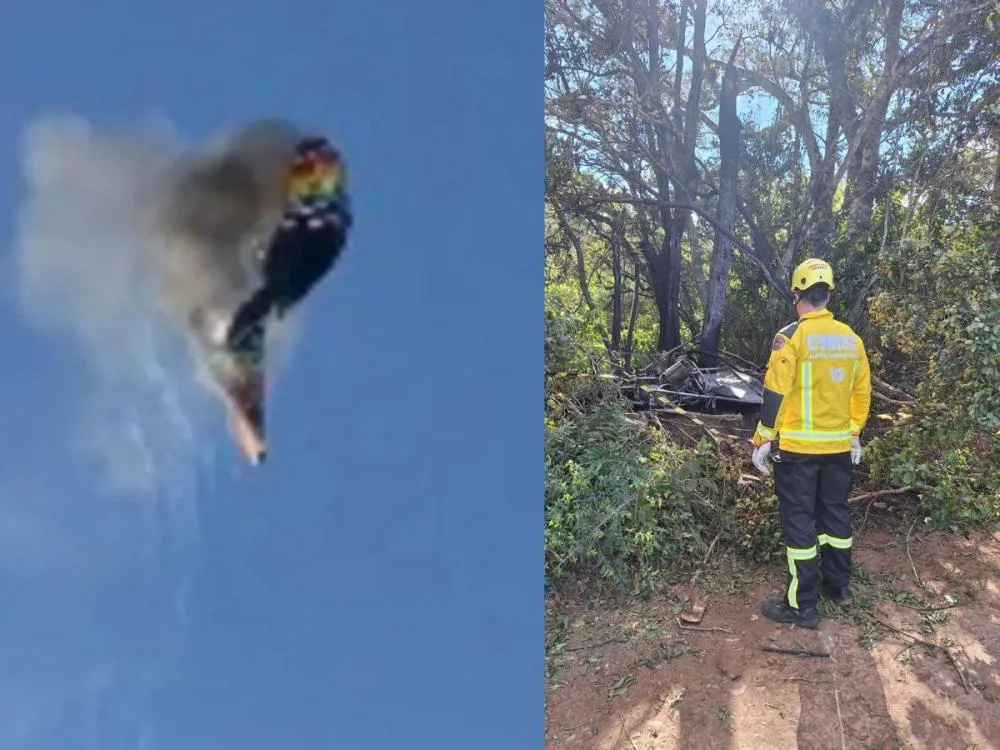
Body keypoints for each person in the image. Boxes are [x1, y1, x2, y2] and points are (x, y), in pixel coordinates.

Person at [750, 258, 872, 628]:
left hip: (799, 452)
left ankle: (801, 605)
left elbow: (775, 392)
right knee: (834, 514)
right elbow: (861, 392)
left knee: (799, 523)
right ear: (829, 294)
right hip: (838, 450)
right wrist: (853, 433)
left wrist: (762, 439)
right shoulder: (851, 339)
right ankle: (840, 587)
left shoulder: (791, 337)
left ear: (796, 295)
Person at [224, 135, 353, 351]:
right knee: (275, 285)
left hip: (318, 231)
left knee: (279, 285)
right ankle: (245, 336)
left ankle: (242, 338)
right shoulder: (318, 180)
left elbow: (319, 207)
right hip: (315, 231)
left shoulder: (323, 176)